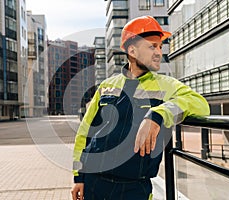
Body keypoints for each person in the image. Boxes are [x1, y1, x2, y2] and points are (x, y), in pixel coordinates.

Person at [71, 15, 210, 200]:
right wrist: (79, 176)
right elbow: (85, 134)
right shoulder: (106, 86)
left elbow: (201, 105)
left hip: (134, 188)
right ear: (132, 51)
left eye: (160, 46)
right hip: (94, 183)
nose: (159, 52)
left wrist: (159, 114)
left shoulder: (167, 85)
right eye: (152, 46)